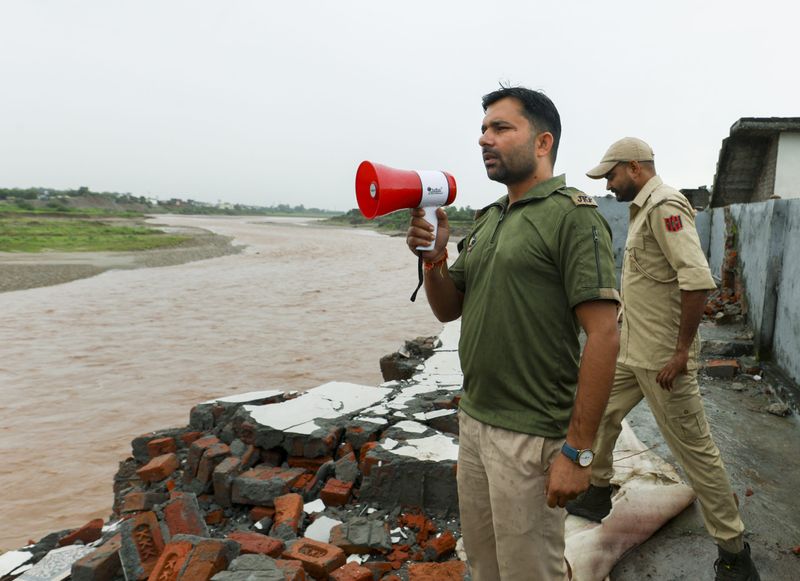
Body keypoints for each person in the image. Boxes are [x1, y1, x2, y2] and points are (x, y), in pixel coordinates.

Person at [406, 86, 620, 581]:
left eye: (501, 128)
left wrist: (578, 451)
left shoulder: (572, 216)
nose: (485, 139)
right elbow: (447, 308)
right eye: (483, 129)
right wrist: (433, 258)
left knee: (529, 571)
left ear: (542, 143)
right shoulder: (488, 220)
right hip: (476, 421)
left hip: (532, 433)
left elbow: (605, 336)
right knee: (483, 565)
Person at [567, 137, 760, 581]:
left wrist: (680, 353)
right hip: (632, 353)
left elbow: (696, 281)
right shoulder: (640, 210)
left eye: (611, 175)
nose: (608, 185)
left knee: (697, 455)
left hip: (662, 364)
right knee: (598, 416)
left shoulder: (665, 208)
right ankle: (596, 493)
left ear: (634, 168)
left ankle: (734, 553)